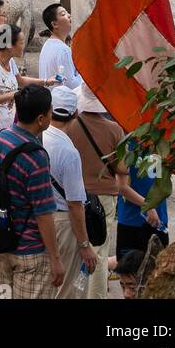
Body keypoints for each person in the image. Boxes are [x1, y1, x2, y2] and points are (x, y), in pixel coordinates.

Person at [0, 85, 65, 299]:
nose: (52, 114)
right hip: (30, 254)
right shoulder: (36, 157)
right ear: (41, 119)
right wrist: (55, 258)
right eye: (51, 111)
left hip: (2, 245)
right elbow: (43, 214)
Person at [68, 82, 125, 299]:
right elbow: (122, 168)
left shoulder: (71, 127)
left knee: (77, 250)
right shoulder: (115, 130)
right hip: (104, 197)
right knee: (99, 254)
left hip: (75, 196)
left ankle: (75, 293)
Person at [42, 86, 98, 298]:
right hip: (64, 223)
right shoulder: (68, 152)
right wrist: (84, 244)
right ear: (75, 114)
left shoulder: (39, 138)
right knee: (67, 289)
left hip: (41, 218)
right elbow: (75, 204)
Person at [0, 24, 50, 152]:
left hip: (7, 126)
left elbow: (21, 81)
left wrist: (45, 81)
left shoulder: (10, 62)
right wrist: (11, 95)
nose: (24, 45)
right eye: (21, 42)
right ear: (10, 46)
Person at [115, 140, 169, 256]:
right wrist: (147, 206)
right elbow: (122, 187)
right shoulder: (127, 145)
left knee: (157, 267)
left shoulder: (161, 143)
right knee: (128, 269)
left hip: (159, 218)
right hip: (131, 219)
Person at [38, 3, 83, 89]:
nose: (69, 15)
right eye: (63, 14)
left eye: (67, 12)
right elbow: (71, 84)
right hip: (60, 100)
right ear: (55, 24)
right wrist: (85, 75)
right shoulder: (63, 50)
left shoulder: (48, 44)